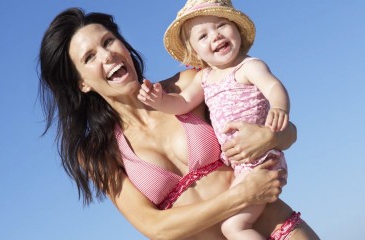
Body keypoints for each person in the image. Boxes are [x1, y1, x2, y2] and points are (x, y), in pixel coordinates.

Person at [38, 7, 319, 240]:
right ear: (82, 83)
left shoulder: (187, 86)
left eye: (108, 41)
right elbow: (155, 227)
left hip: (279, 230)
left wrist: (270, 139)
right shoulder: (98, 152)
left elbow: (286, 130)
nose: (107, 55)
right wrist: (243, 195)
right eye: (90, 57)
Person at [138, 0, 290, 239]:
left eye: (221, 25)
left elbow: (273, 86)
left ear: (237, 29)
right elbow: (183, 103)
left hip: (260, 158)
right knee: (236, 222)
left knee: (234, 227)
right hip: (242, 166)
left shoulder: (248, 66)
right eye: (203, 35)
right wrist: (159, 101)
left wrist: (280, 107)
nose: (215, 36)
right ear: (194, 52)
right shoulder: (205, 78)